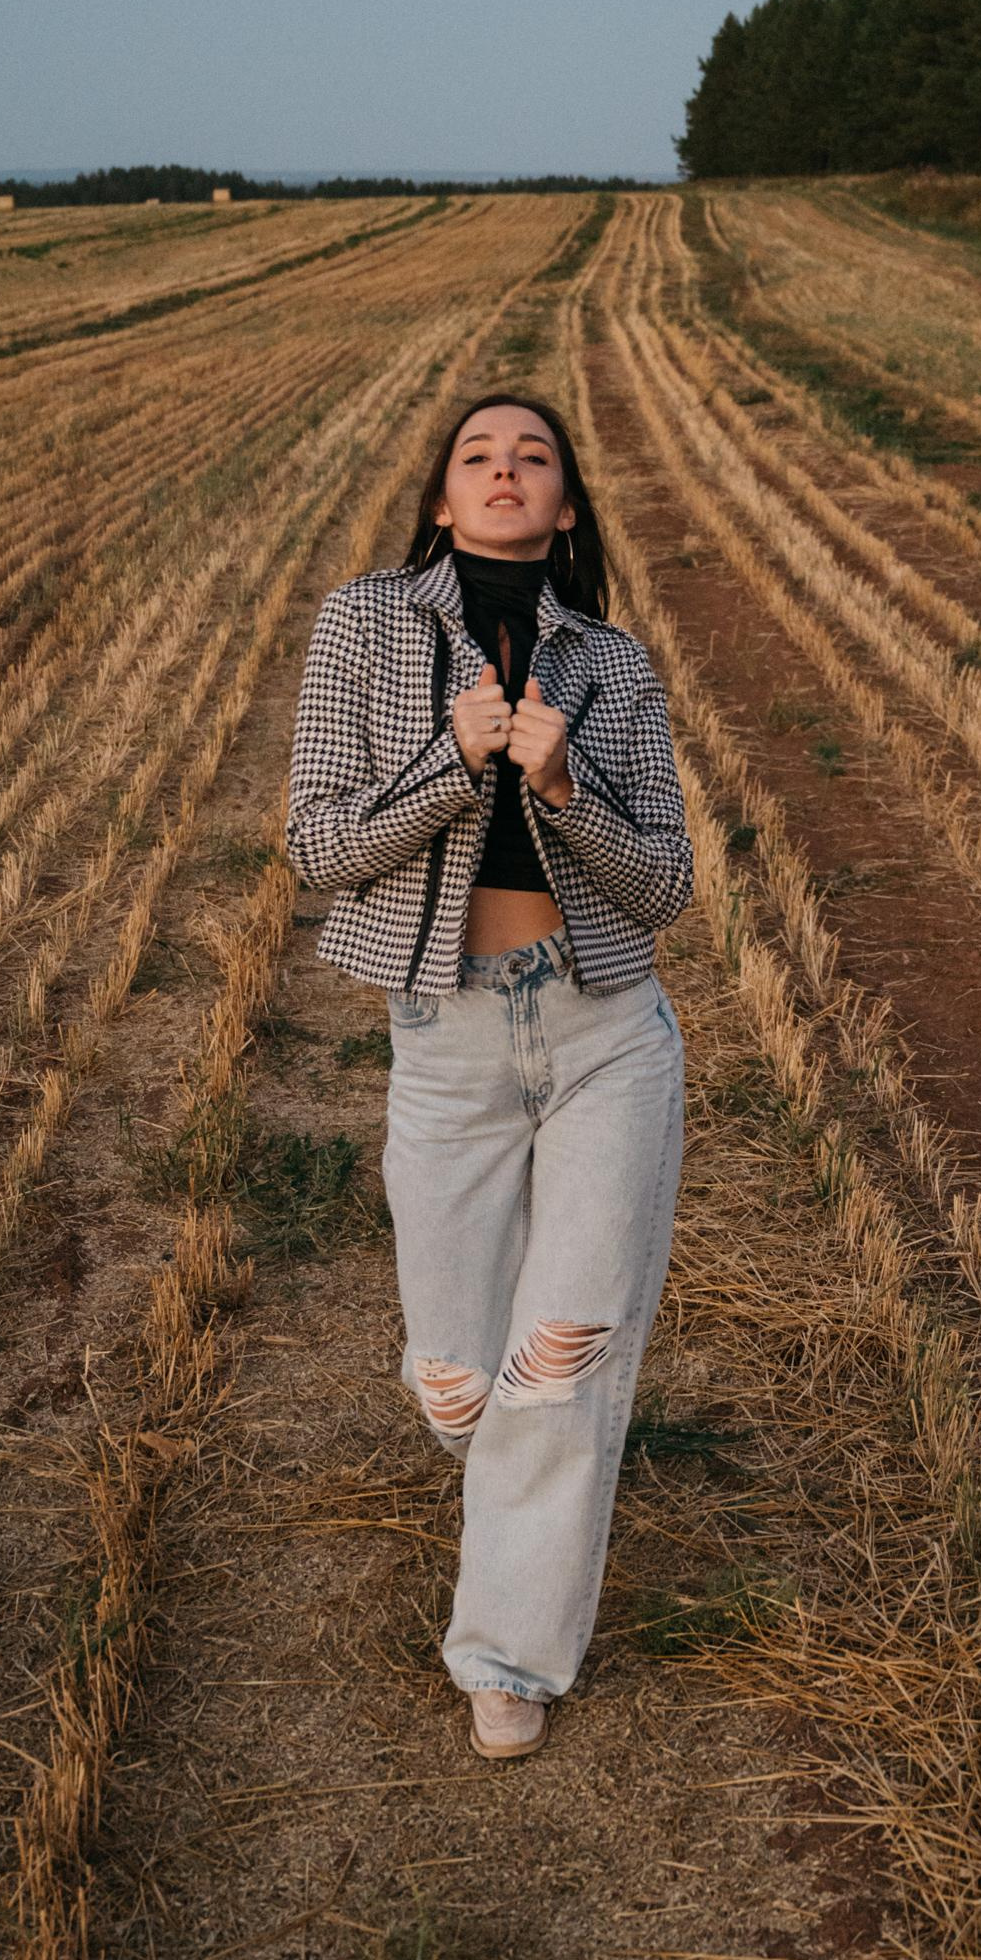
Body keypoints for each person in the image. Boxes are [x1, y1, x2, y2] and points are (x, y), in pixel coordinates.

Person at [284, 391, 691, 1760]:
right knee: (464, 1377)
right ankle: (509, 1459)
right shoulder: (362, 627)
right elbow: (320, 849)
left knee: (560, 1364)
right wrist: (454, 764)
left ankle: (507, 1650)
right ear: (443, 503)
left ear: (568, 506)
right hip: (447, 1041)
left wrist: (569, 788)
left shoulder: (615, 669)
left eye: (536, 459)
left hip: (602, 1039)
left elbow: (669, 885)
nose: (507, 473)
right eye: (479, 458)